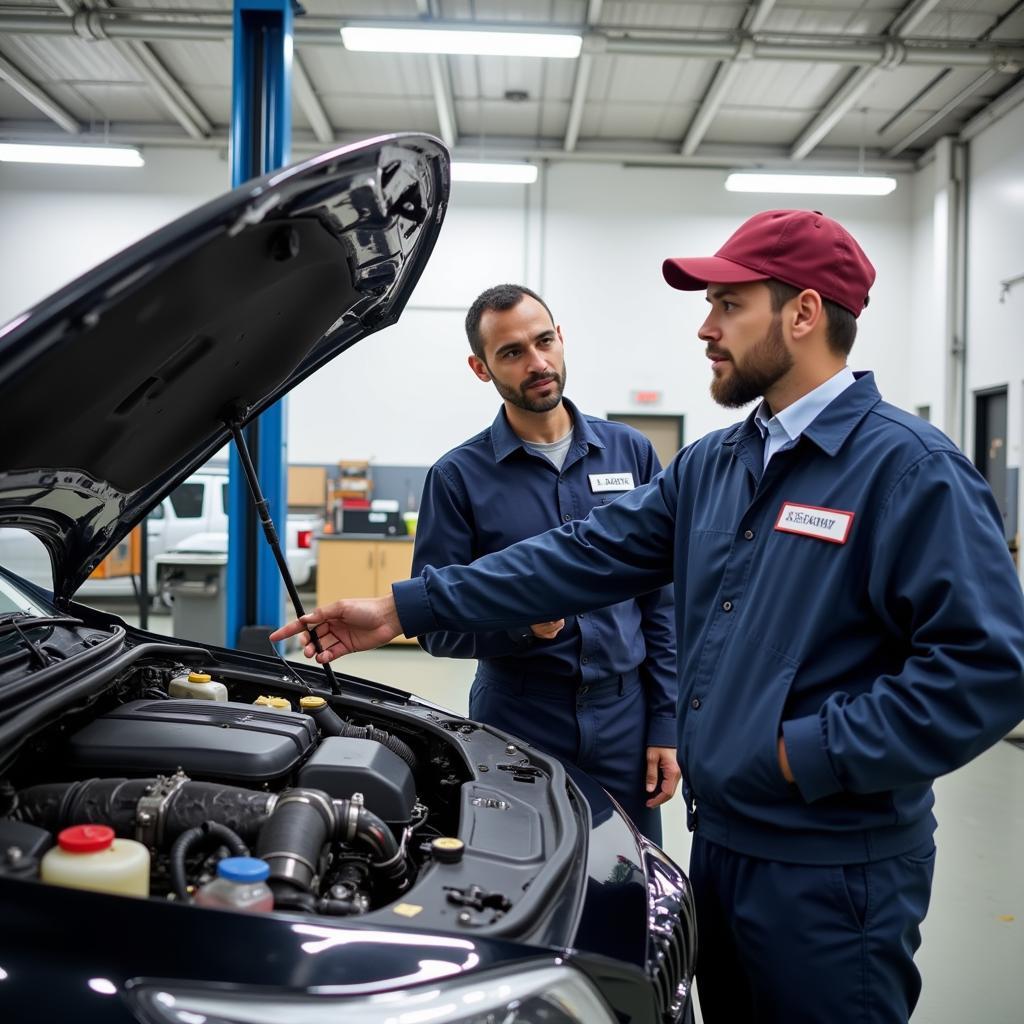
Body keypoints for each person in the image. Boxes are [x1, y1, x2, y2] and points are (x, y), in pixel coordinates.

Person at [273, 209, 1024, 1024]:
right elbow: (577, 557)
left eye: (729, 305)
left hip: (831, 868)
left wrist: (799, 752)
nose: (706, 328)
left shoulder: (909, 472)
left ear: (803, 314)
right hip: (723, 845)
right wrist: (402, 607)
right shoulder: (717, 466)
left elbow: (988, 670)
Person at [410, 283, 680, 843]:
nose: (537, 363)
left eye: (544, 341)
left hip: (626, 717)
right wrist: (519, 627)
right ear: (481, 368)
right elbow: (434, 627)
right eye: (511, 353)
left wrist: (666, 722)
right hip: (518, 718)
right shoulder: (458, 478)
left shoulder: (632, 454)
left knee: (630, 874)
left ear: (562, 340)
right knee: (519, 870)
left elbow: (662, 603)